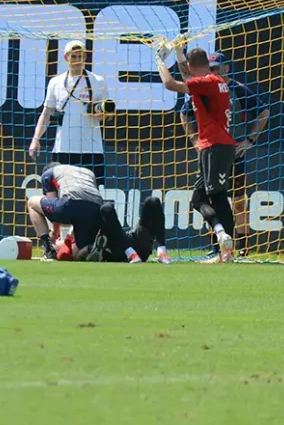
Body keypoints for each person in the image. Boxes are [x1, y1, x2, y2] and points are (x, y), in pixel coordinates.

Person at [178, 51, 270, 261]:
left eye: (217, 68)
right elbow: (184, 112)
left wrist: (249, 140)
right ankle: (218, 247)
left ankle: (243, 248)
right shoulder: (204, 89)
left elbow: (263, 112)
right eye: (211, 68)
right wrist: (194, 140)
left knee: (237, 201)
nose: (214, 71)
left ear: (226, 68)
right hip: (213, 147)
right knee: (212, 197)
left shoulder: (237, 90)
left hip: (232, 150)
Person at [157, 46, 239, 263]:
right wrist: (178, 54)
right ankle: (222, 236)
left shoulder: (208, 82)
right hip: (213, 145)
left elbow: (169, 83)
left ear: (194, 68)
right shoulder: (213, 81)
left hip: (216, 145)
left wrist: (159, 61)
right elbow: (186, 75)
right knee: (198, 199)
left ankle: (226, 251)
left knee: (218, 195)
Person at [28, 40, 112, 187]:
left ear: (86, 57)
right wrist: (36, 139)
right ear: (66, 57)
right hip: (63, 149)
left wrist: (101, 114)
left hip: (91, 150)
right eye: (74, 57)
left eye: (81, 56)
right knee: (61, 193)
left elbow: (108, 115)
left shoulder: (98, 81)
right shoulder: (56, 82)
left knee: (92, 194)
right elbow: (46, 113)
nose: (78, 60)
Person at [26, 162, 141, 263]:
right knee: (75, 255)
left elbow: (54, 208)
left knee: (32, 203)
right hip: (95, 210)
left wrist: (54, 235)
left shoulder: (48, 174)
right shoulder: (87, 172)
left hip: (71, 205)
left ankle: (48, 250)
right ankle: (90, 248)